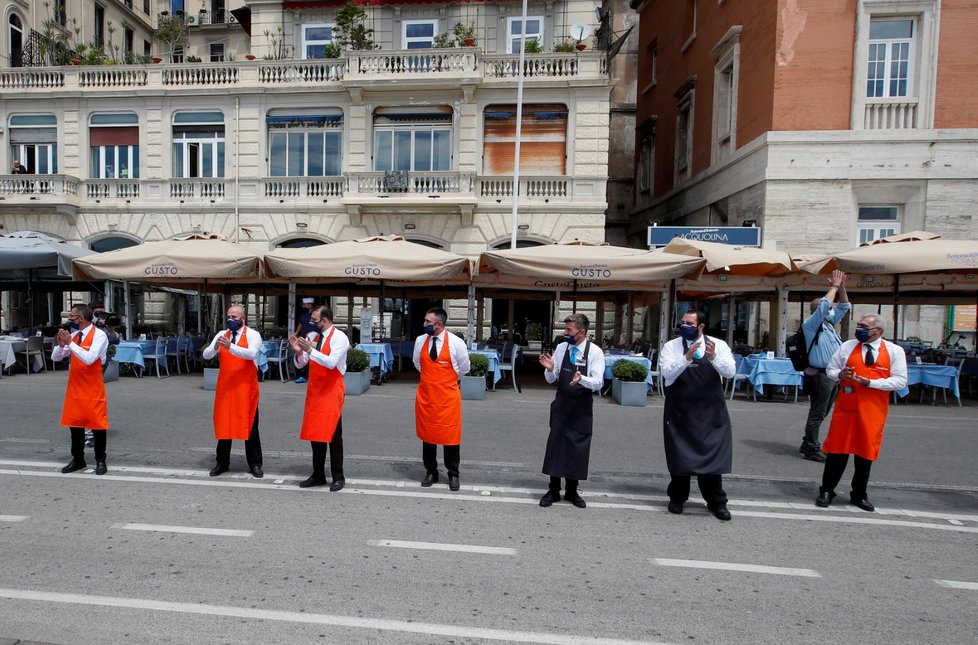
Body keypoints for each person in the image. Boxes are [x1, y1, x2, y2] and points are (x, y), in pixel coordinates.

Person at [815, 314, 907, 512]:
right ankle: (827, 490)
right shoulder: (847, 346)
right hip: (846, 408)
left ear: (878, 331)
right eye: (858, 325)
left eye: (864, 326)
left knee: (865, 453)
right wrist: (840, 374)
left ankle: (859, 493)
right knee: (837, 451)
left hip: (873, 410)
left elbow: (900, 381)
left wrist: (871, 383)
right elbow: (831, 369)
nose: (859, 329)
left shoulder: (894, 351)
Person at [659, 310, 737, 521]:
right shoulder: (671, 347)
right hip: (680, 411)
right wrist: (686, 358)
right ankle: (677, 497)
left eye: (689, 323)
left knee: (711, 458)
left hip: (710, 412)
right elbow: (667, 373)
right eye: (683, 322)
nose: (684, 326)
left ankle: (716, 501)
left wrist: (713, 359)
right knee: (680, 457)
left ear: (701, 326)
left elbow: (730, 372)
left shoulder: (718, 346)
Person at [538, 314, 605, 509]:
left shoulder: (595, 352)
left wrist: (581, 379)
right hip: (561, 403)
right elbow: (552, 378)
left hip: (581, 407)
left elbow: (598, 382)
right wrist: (550, 369)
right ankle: (553, 489)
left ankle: (572, 490)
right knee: (556, 445)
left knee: (578, 447)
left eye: (568, 330)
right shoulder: (561, 348)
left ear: (581, 332)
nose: (564, 333)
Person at [290, 305, 349, 491]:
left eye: (314, 320)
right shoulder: (312, 337)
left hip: (331, 391)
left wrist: (310, 351)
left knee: (333, 435)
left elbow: (331, 362)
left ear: (324, 320)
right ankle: (318, 474)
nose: (311, 323)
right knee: (315, 435)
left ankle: (338, 476)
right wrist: (299, 351)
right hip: (315, 391)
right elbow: (302, 365)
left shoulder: (340, 337)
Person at [202, 305, 264, 478]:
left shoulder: (253, 335)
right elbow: (206, 355)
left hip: (246, 388)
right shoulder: (222, 334)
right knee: (224, 424)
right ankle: (221, 463)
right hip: (227, 388)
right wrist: (215, 346)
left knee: (250, 426)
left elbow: (251, 354)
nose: (231, 320)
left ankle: (255, 464)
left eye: (234, 317)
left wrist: (230, 347)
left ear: (243, 318)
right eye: (228, 316)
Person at [413, 307, 469, 491]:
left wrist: (446, 381)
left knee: (450, 438)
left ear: (439, 324)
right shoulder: (421, 341)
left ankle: (453, 474)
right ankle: (431, 471)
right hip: (426, 397)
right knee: (428, 438)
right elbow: (417, 363)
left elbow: (464, 368)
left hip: (448, 398)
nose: (424, 324)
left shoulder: (456, 342)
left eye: (428, 322)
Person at [799, 270, 850, 462]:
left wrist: (842, 287)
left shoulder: (828, 324)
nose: (829, 311)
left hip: (833, 374)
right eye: (826, 309)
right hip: (821, 375)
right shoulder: (810, 325)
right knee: (817, 413)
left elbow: (844, 307)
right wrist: (834, 286)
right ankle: (811, 447)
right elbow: (824, 305)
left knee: (823, 412)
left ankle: (808, 441)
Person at [52, 304, 110, 476]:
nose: (70, 319)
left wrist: (71, 343)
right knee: (75, 424)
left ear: (82, 318)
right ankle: (78, 459)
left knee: (97, 425)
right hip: (75, 386)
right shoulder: (75, 335)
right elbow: (56, 358)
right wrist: (61, 345)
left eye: (72, 316)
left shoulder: (99, 335)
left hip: (93, 387)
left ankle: (100, 459)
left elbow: (90, 358)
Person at [294, 297, 317, 383]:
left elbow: (317, 325)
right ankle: (302, 375)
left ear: (310, 305)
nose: (303, 306)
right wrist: (296, 333)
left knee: (312, 355)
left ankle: (311, 374)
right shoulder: (303, 313)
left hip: (313, 338)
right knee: (301, 355)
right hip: (303, 337)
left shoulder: (315, 314)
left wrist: (312, 333)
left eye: (305, 305)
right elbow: (300, 323)